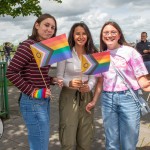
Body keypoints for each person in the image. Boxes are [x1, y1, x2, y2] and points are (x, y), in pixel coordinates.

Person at [86, 21, 150, 150]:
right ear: (102, 36)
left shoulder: (130, 52)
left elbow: (141, 78)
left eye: (113, 32)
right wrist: (93, 100)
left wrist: (146, 84)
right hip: (108, 99)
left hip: (129, 99)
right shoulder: (101, 56)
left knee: (129, 142)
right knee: (111, 143)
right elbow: (100, 81)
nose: (109, 35)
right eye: (106, 32)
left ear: (119, 34)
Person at [6, 13, 57, 150]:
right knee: (40, 144)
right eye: (46, 25)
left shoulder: (45, 48)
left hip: (43, 100)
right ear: (37, 25)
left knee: (41, 141)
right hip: (32, 102)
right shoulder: (28, 45)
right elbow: (10, 72)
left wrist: (52, 80)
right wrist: (33, 92)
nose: (50, 29)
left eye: (52, 27)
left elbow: (38, 74)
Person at [56, 22, 98, 150]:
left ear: (88, 35)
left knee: (85, 136)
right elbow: (59, 77)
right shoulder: (64, 52)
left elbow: (93, 77)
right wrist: (69, 82)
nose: (81, 36)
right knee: (67, 133)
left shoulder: (93, 53)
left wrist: (89, 86)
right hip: (68, 96)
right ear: (72, 36)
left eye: (84, 33)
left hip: (86, 96)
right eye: (77, 33)